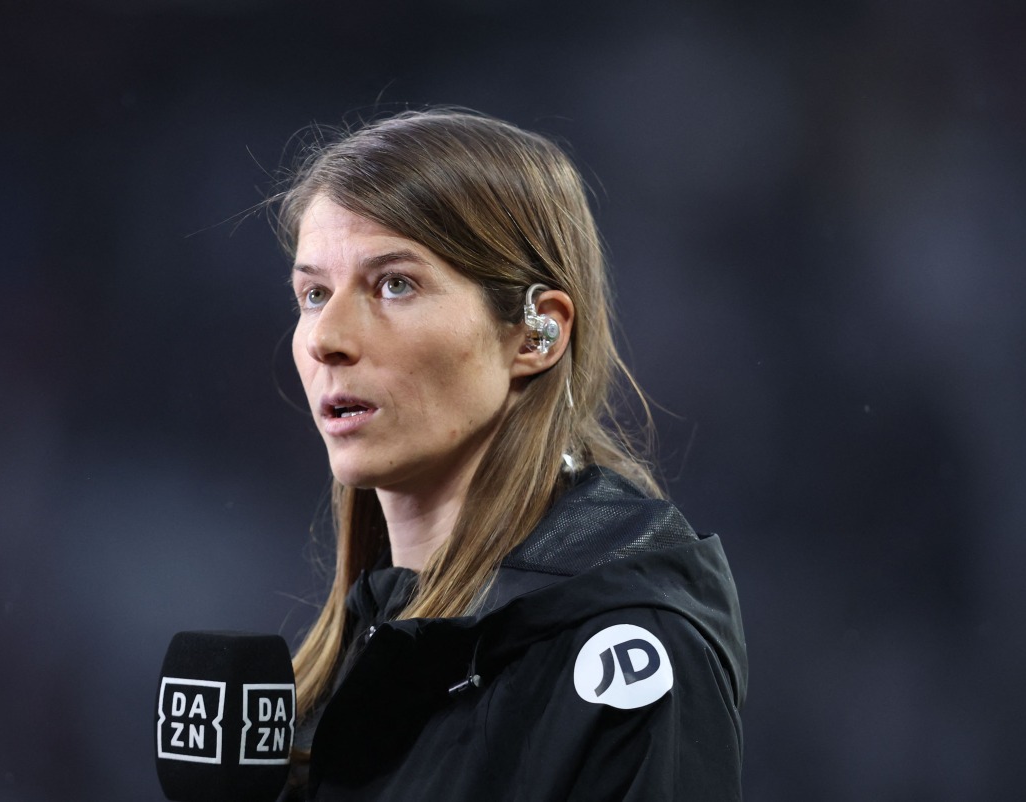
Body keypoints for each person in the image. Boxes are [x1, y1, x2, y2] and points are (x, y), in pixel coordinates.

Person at [274, 109, 746, 801]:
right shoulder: (329, 678)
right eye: (314, 293)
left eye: (394, 284)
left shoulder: (622, 650)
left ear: (537, 336)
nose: (326, 337)